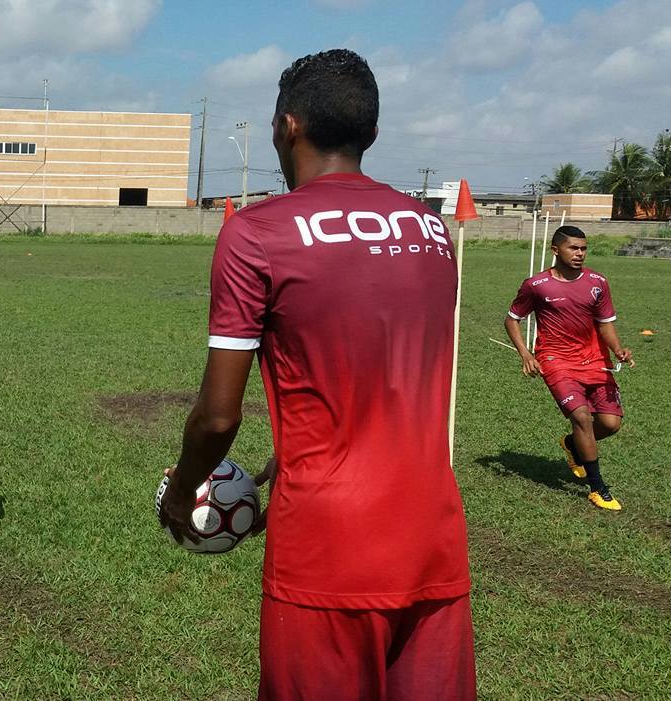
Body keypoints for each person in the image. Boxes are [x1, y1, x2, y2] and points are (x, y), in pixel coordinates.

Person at [159, 50, 475, 700]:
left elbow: (219, 415)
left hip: (329, 548)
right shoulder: (431, 230)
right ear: (373, 133)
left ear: (285, 126)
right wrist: (301, 440)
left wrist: (181, 490)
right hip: (433, 537)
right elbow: (382, 367)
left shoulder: (257, 234)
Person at [504, 225, 634, 511]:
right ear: (555, 250)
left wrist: (617, 349)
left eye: (583, 248)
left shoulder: (598, 282)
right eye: (573, 248)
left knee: (610, 424)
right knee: (582, 417)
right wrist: (525, 354)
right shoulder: (536, 285)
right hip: (555, 359)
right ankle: (598, 488)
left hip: (595, 359)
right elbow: (512, 319)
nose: (579, 253)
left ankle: (573, 445)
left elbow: (605, 323)